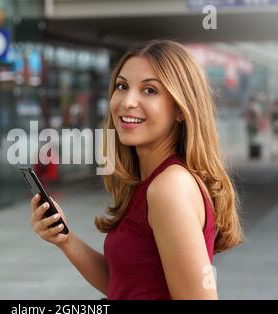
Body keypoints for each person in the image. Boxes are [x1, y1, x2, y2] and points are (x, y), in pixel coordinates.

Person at [29, 40, 244, 300]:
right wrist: (65, 239)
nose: (128, 101)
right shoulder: (150, 182)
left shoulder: (169, 188)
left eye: (150, 90)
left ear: (179, 108)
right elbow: (124, 283)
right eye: (122, 86)